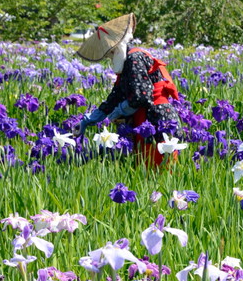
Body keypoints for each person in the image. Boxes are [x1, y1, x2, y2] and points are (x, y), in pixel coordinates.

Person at [74, 13, 182, 167]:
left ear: (117, 46)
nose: (110, 57)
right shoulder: (128, 61)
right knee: (144, 166)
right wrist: (89, 119)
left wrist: (117, 112)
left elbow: (141, 97)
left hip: (156, 118)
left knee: (158, 166)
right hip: (145, 117)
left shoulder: (134, 58)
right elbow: (116, 95)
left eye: (110, 52)